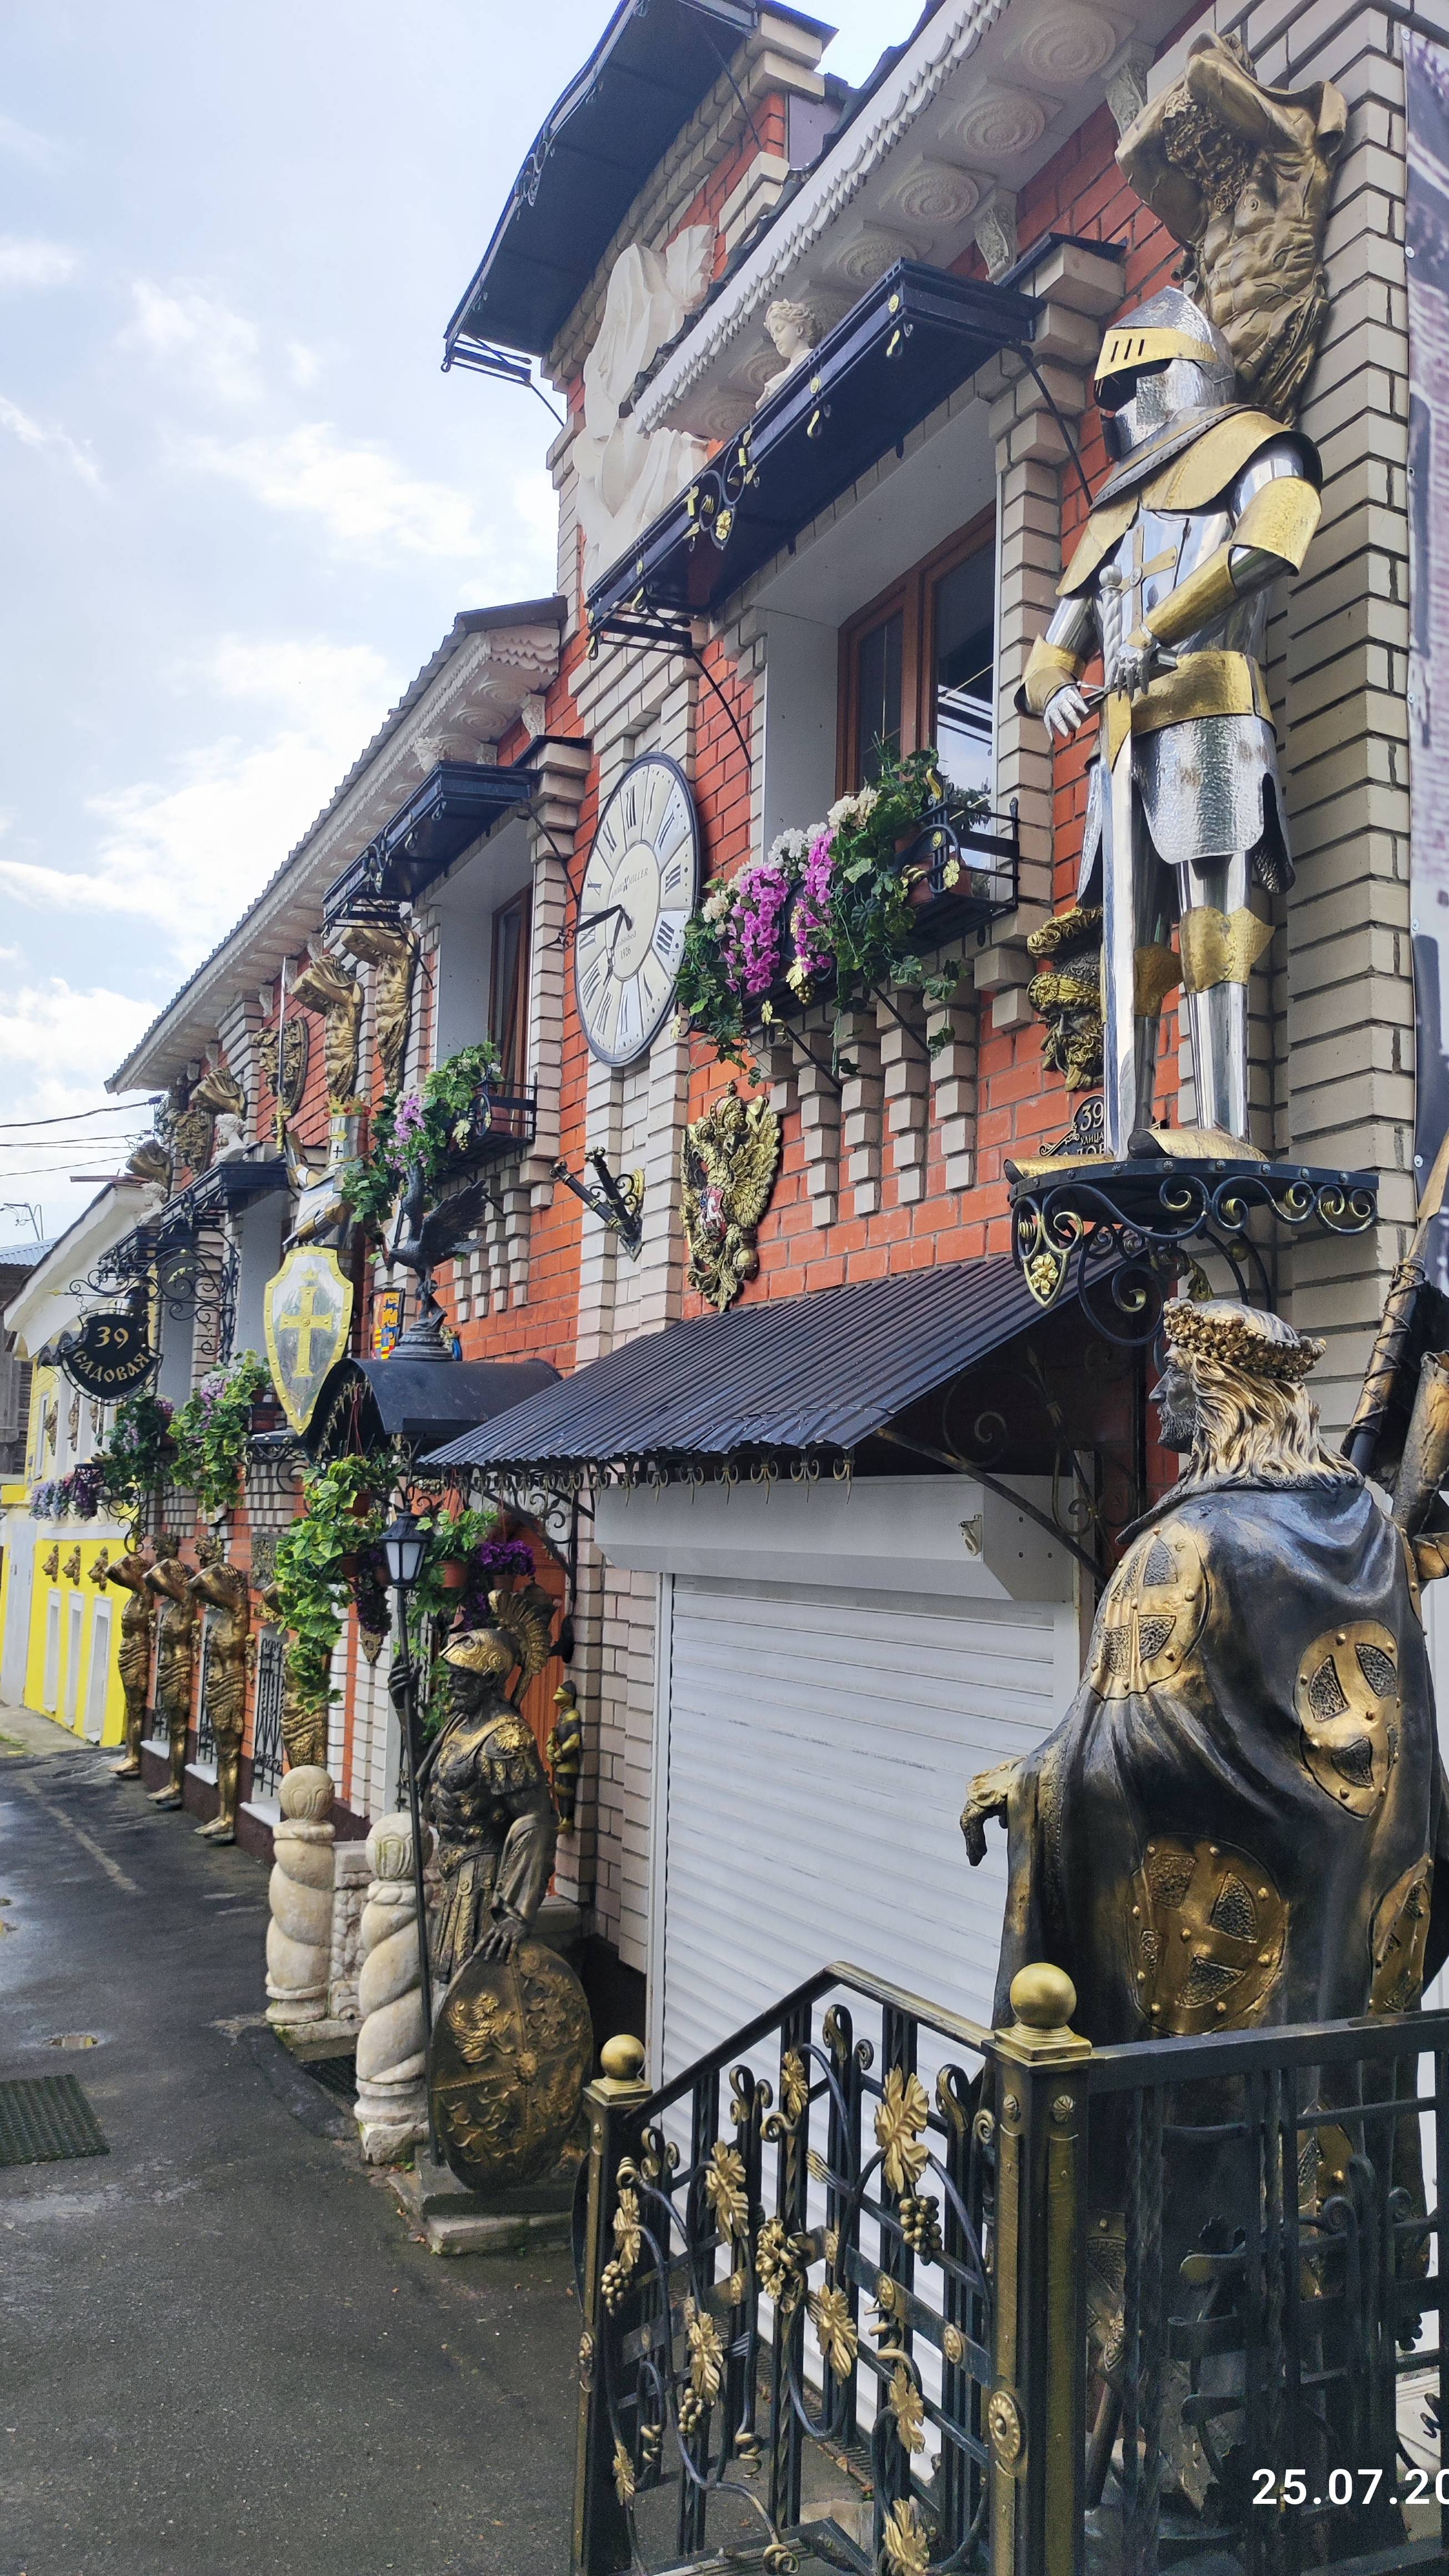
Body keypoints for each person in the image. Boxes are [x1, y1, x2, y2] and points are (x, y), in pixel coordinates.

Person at [1019, 290, 1322, 1156]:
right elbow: (1046, 656)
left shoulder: (1252, 444)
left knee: (1212, 927)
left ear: (1183, 371)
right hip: (1120, 742)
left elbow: (1272, 537)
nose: (1123, 405)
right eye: (1113, 391)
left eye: (1140, 379)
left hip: (1211, 705)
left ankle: (1223, 1123)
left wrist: (1155, 629)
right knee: (1127, 940)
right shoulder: (1112, 510)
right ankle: (1122, 1131)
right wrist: (1055, 690)